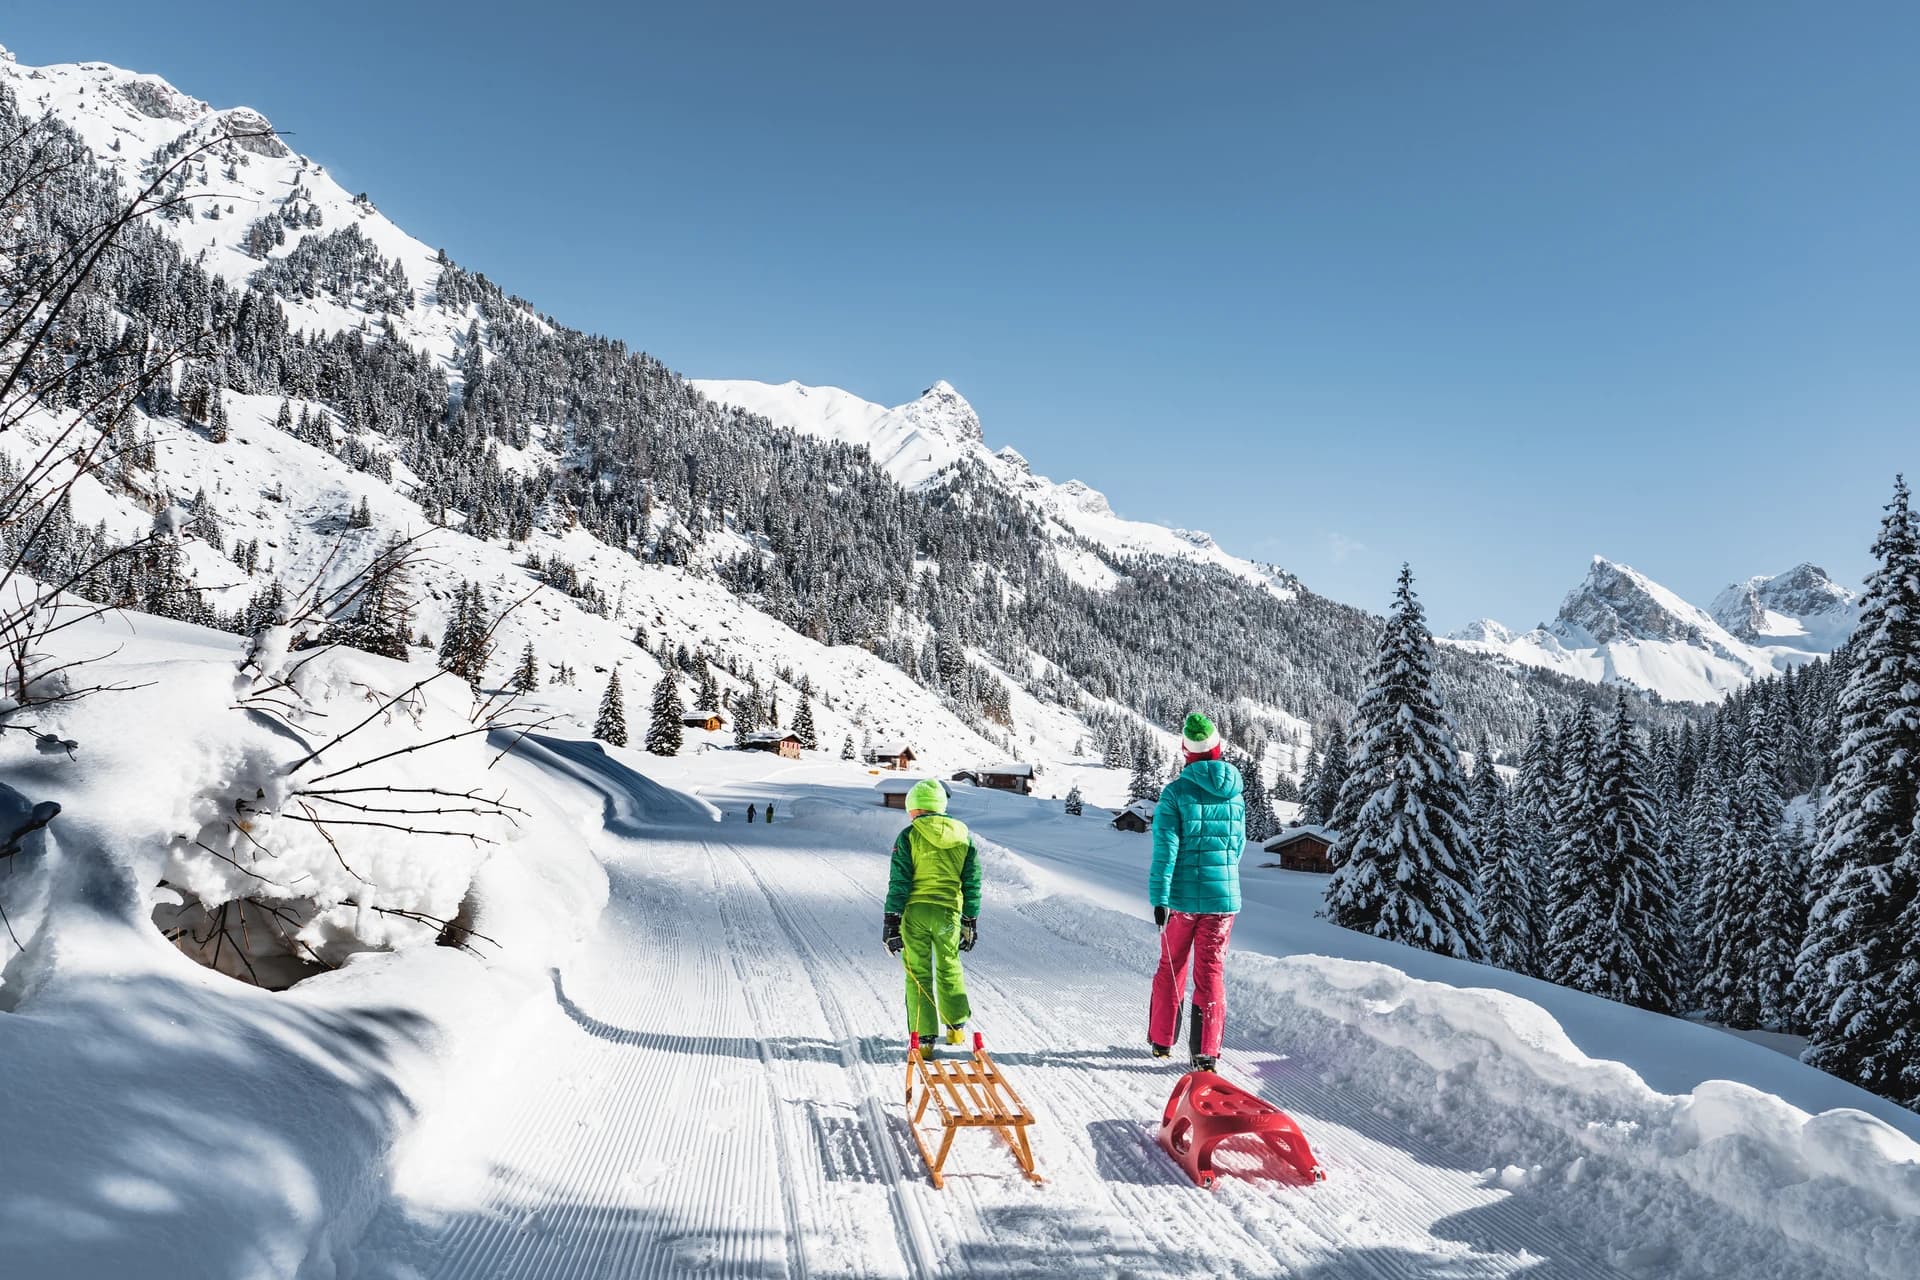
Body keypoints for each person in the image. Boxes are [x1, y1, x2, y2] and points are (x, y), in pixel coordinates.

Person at [1147, 712, 1246, 1072]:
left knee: (1171, 966)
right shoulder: (1235, 793)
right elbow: (1237, 847)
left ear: (1186, 753)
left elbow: (1166, 850)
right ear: (1217, 749)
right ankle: (1206, 1054)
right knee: (1211, 972)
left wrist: (1159, 897)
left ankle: (1162, 1041)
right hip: (1223, 900)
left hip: (1182, 900)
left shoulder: (1175, 793)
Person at [883, 778, 980, 1055]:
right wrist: (970, 919)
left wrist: (891, 920)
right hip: (949, 913)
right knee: (949, 966)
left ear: (916, 809)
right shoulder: (963, 837)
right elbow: (972, 881)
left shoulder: (908, 836)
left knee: (918, 974)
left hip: (915, 913)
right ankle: (955, 1029)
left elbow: (898, 882)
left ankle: (924, 1040)